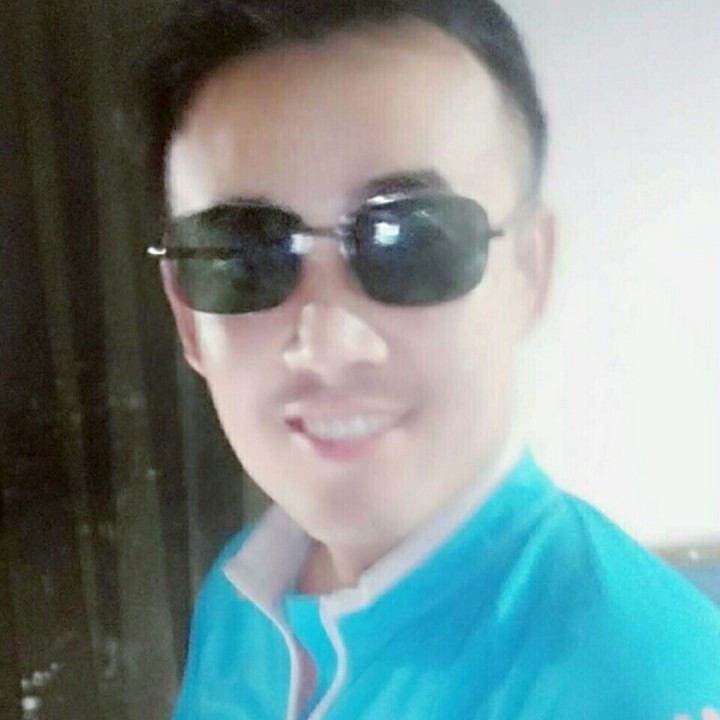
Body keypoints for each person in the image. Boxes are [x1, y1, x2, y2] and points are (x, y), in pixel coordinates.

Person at [133, 0, 720, 717]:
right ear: (188, 317)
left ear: (528, 272)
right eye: (244, 255)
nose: (328, 343)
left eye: (413, 240)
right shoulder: (237, 600)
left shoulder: (638, 685)